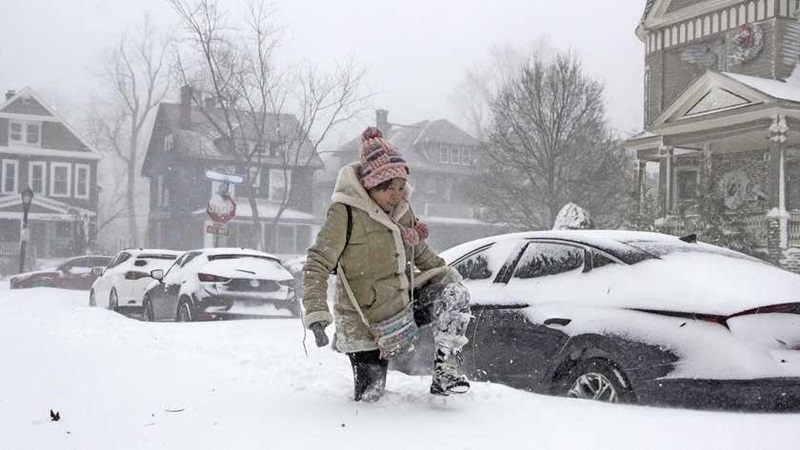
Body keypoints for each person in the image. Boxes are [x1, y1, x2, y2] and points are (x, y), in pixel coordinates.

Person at [302, 127, 473, 402]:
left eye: (400, 187)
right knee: (371, 399)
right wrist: (316, 314)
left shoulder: (403, 211)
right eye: (389, 188)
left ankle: (447, 372)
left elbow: (424, 255)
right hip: (364, 321)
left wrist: (454, 280)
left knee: (454, 293)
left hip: (402, 306)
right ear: (371, 185)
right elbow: (317, 262)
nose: (397, 195)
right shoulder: (345, 212)